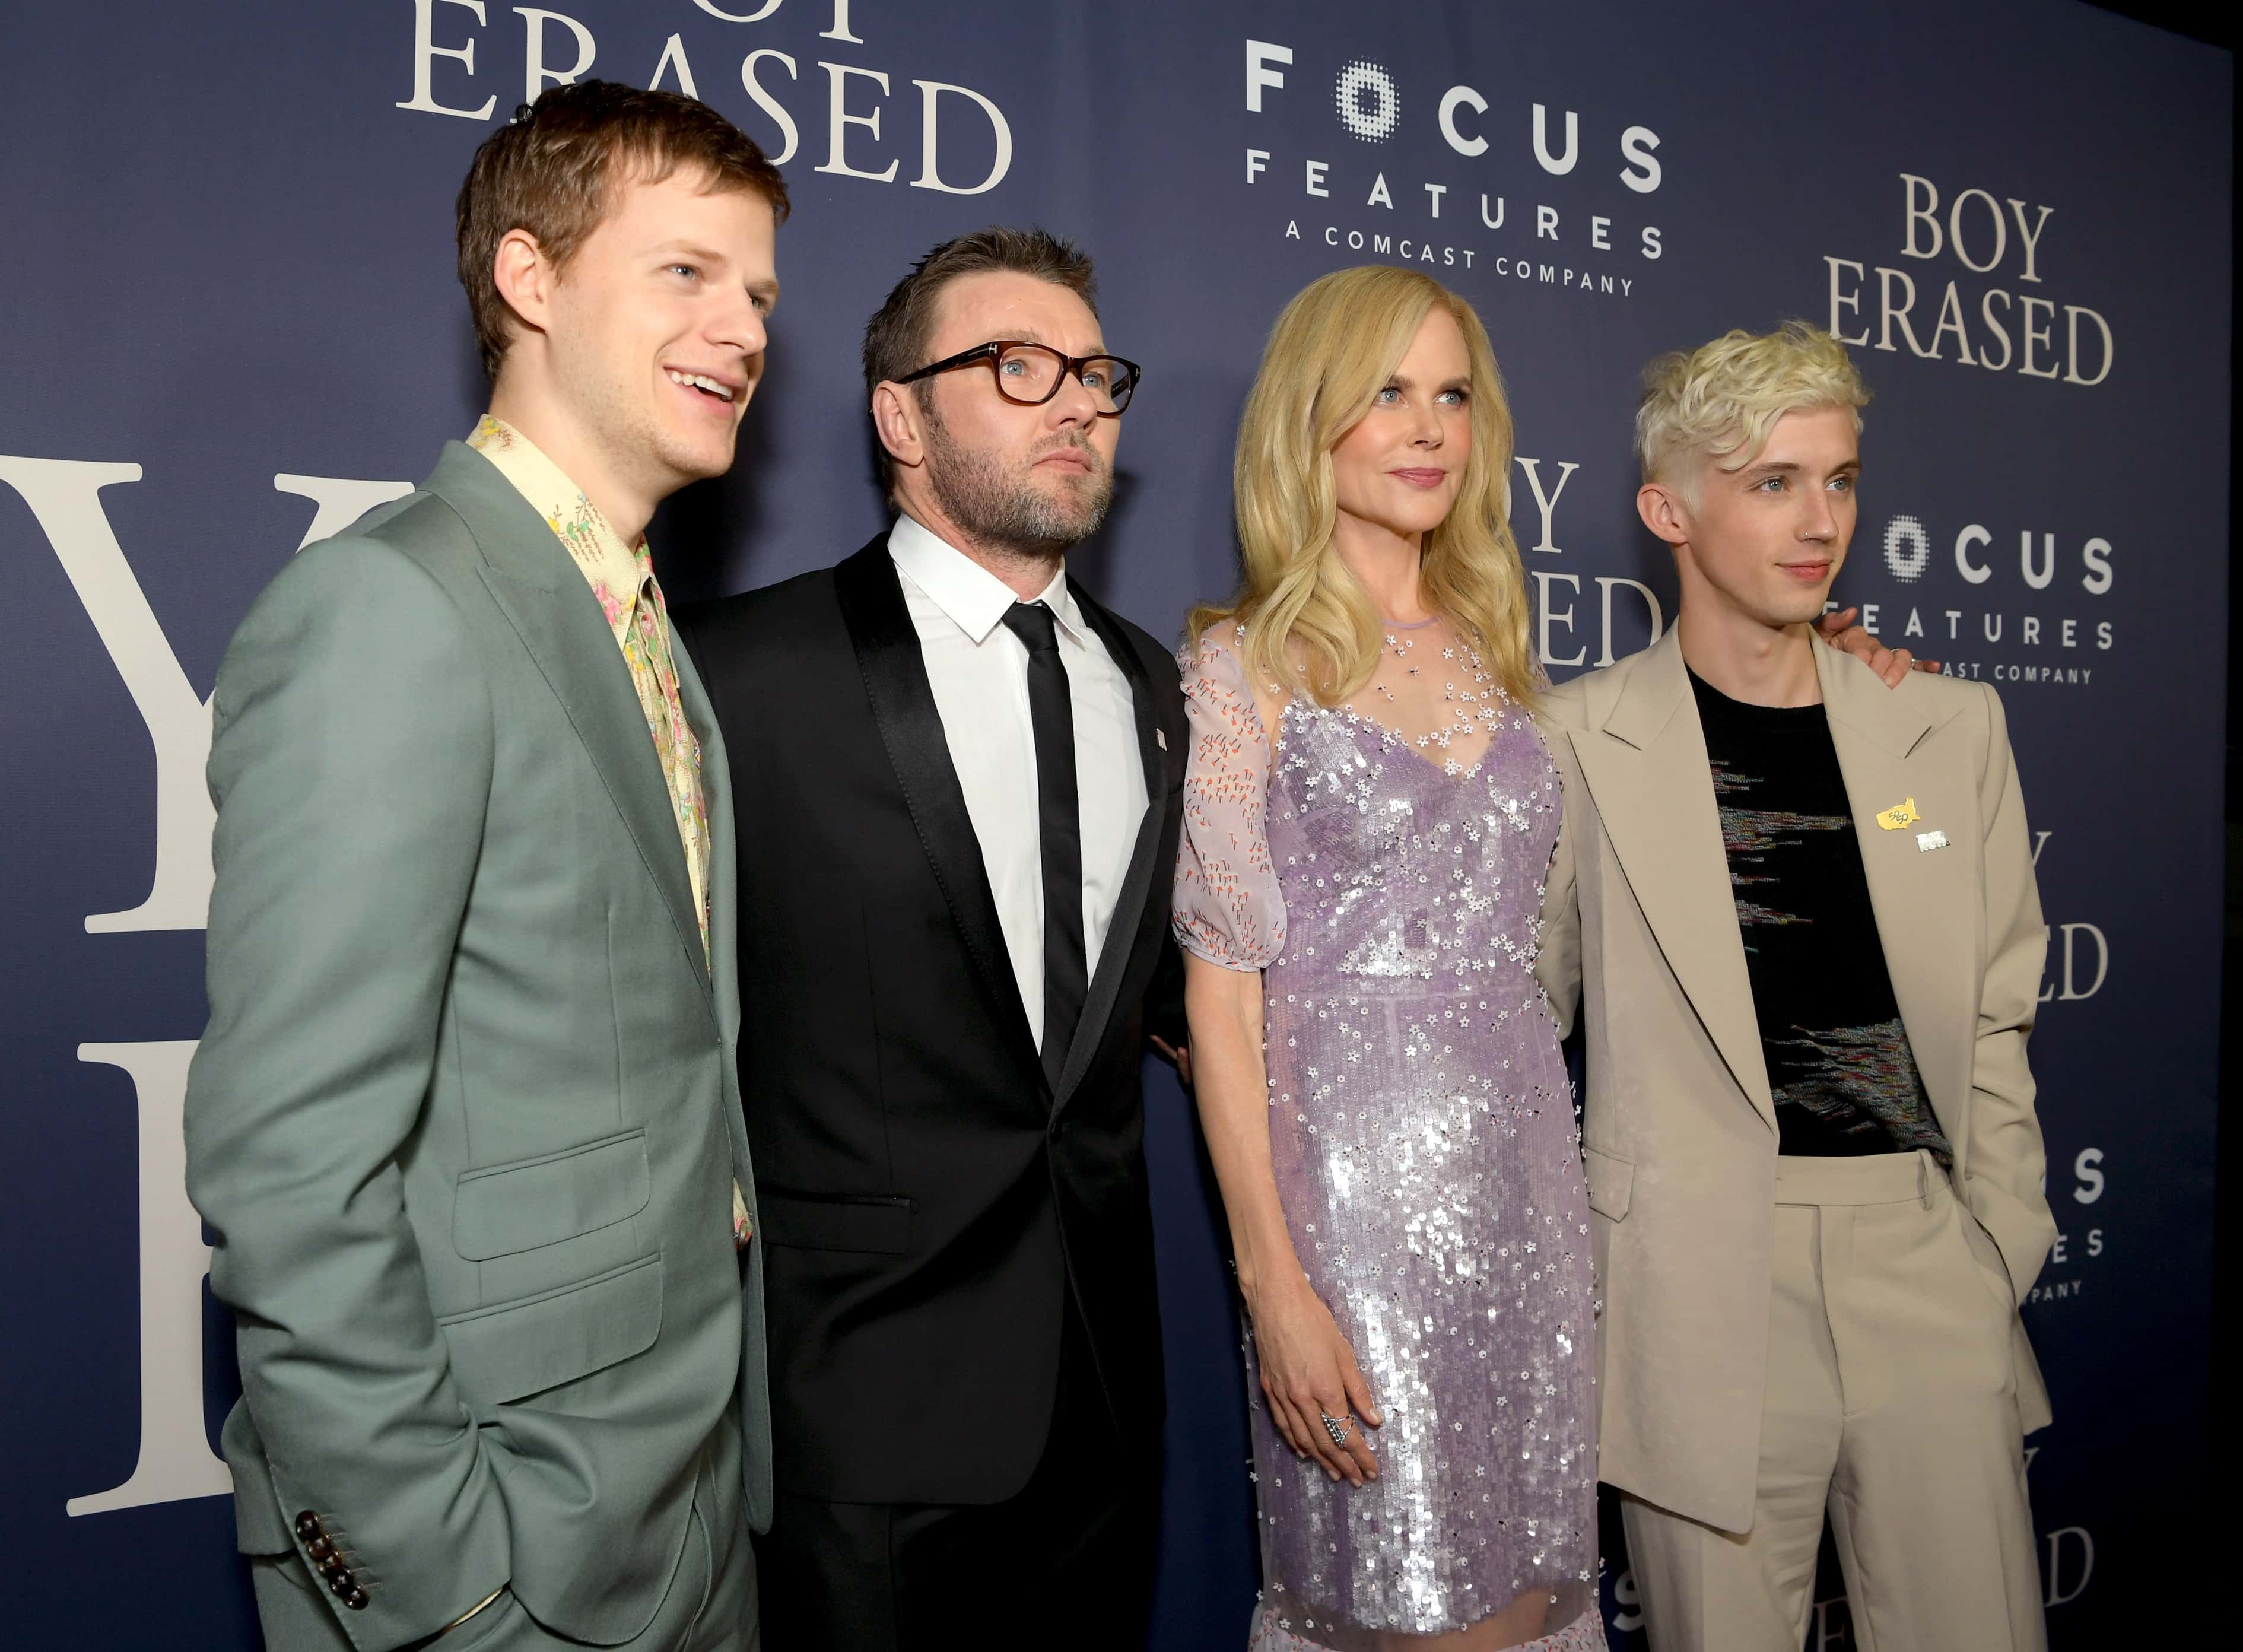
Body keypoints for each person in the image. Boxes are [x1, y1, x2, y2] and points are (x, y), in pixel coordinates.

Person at [184, 82, 785, 1651]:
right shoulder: (389, 610)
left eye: (757, 292)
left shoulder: (644, 634)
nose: (742, 329)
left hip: (687, 1515)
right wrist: (442, 1590)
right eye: (686, 272)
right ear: (530, 277)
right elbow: (293, 1171)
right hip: (502, 1557)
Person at [678, 227, 1187, 1649]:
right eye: (1018, 367)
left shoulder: (1157, 689)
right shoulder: (739, 675)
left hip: (1104, 1412)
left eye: (1094, 373)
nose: (1077, 402)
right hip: (856, 1422)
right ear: (900, 419)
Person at [1535, 323, 2055, 1652]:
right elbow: (1520, 1028)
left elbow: (1998, 1010)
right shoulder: (1570, 743)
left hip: (1923, 1258)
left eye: (1840, 480)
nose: (1820, 522)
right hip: (1695, 1281)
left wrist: (1996, 1246)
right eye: (1773, 483)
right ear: (1670, 512)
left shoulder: (1948, 725)